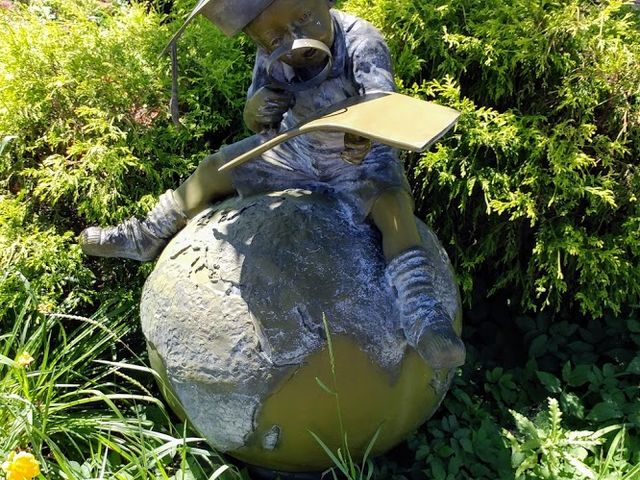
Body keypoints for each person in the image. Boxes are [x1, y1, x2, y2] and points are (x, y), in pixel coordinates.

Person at [79, 0, 465, 370]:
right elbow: (259, 122)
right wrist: (256, 111)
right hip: (295, 149)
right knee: (214, 168)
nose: (293, 40)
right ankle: (147, 234)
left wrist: (364, 133)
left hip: (360, 159)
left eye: (305, 18)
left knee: (394, 211)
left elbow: (383, 104)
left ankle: (422, 315)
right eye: (274, 38)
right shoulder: (272, 57)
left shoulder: (361, 39)